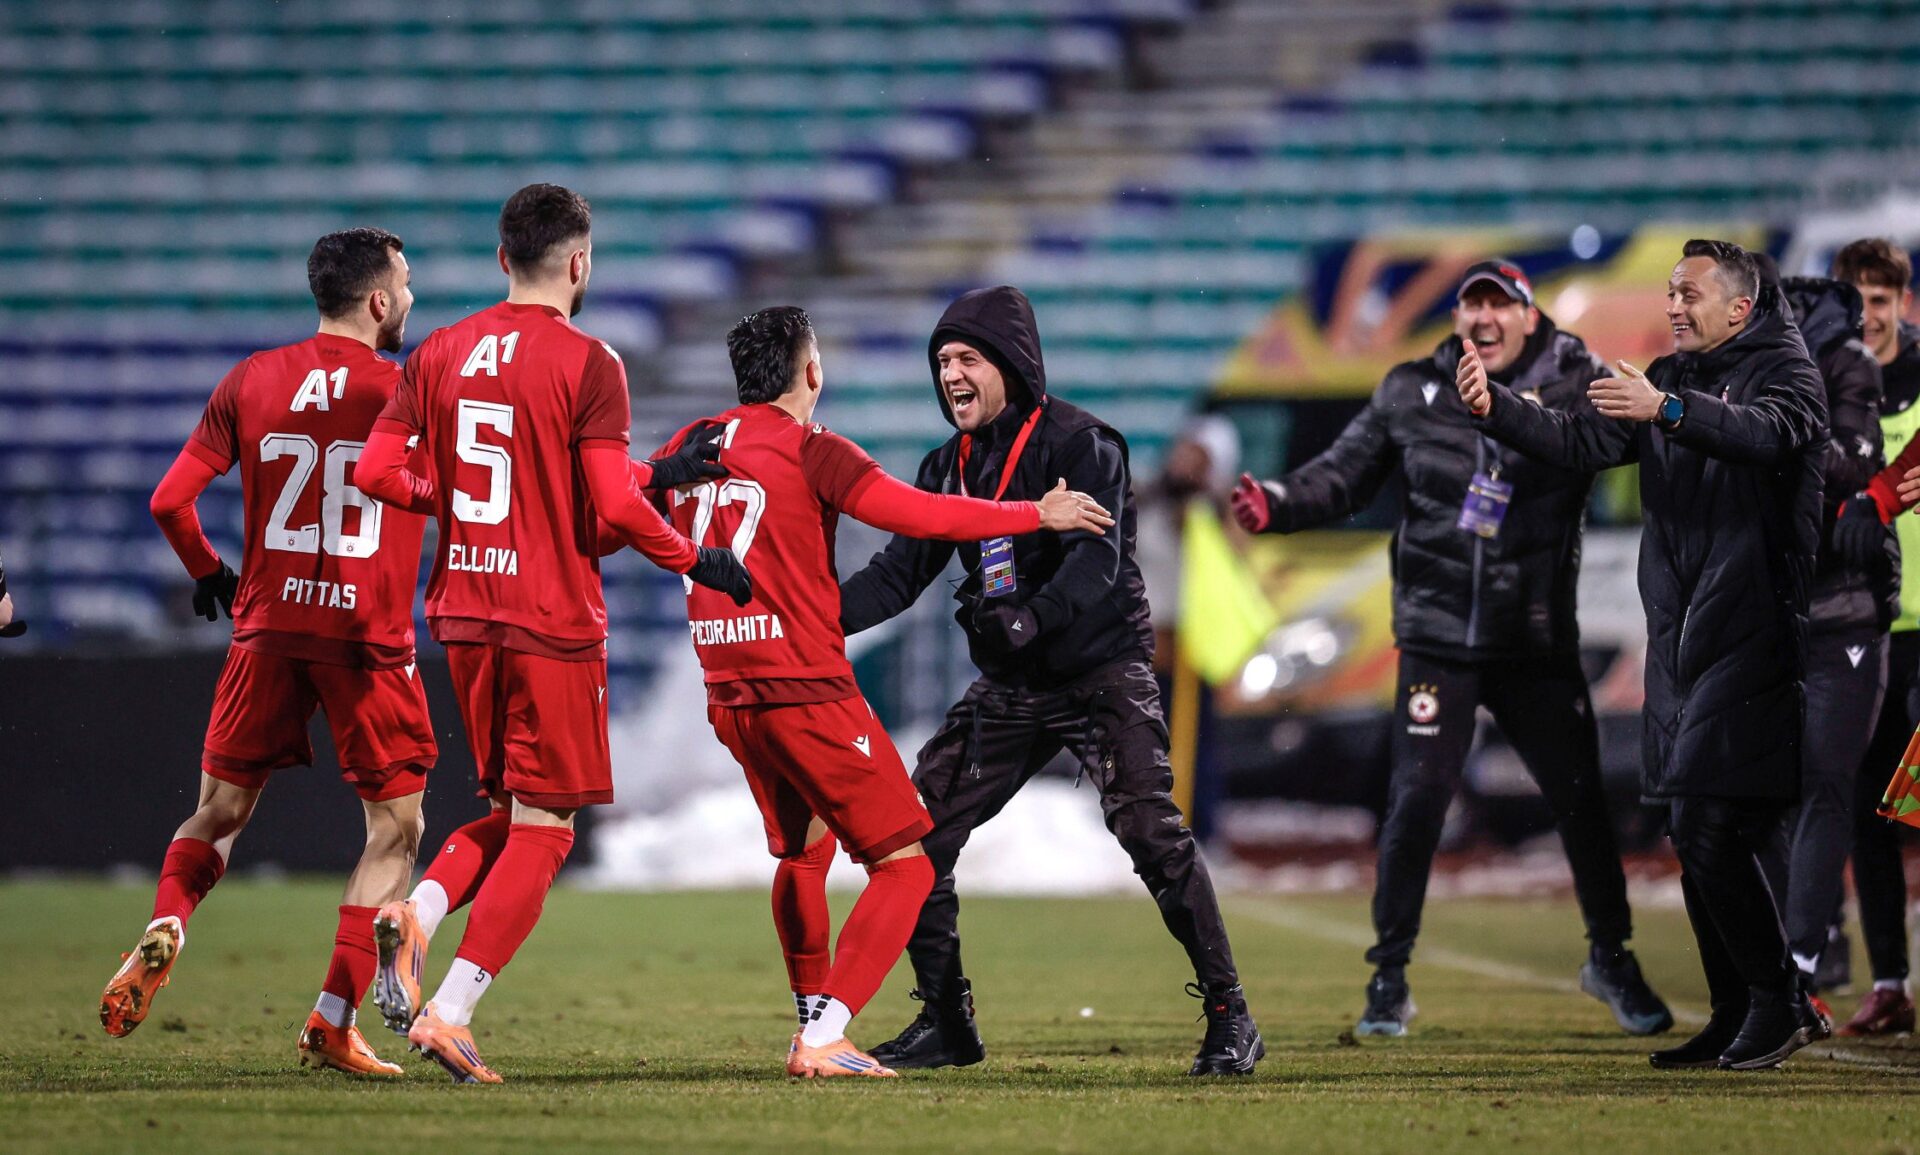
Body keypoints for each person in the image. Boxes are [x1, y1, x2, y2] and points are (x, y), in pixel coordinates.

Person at [352, 183, 751, 1083]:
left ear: (503, 258)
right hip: (550, 621)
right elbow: (607, 505)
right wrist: (694, 558)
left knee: (510, 813)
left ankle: (417, 911)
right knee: (549, 829)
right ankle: (449, 1013)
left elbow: (378, 471)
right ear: (579, 262)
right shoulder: (590, 360)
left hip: (463, 615)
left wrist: (454, 499)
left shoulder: (440, 350)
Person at [654, 306, 1112, 1077]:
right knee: (907, 863)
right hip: (805, 688)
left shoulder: (688, 444)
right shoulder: (812, 447)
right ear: (811, 371)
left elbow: (615, 508)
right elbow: (916, 512)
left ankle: (809, 1016)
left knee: (802, 852)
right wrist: (1033, 512)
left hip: (729, 689)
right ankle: (826, 1034)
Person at [1231, 260, 1671, 1039]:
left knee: (1580, 803)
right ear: (1458, 319)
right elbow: (1344, 475)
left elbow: (1614, 444)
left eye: (1500, 304)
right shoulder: (1412, 386)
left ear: (1530, 317)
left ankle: (1612, 955)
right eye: (1472, 305)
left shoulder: (1578, 378)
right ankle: (1389, 977)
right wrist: (1281, 501)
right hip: (1438, 636)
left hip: (1532, 636)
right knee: (1416, 801)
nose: (1484, 317)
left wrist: (1513, 410)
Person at [838, 285, 1262, 1076]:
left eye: (966, 357)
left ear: (1010, 363)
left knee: (1150, 830)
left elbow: (1097, 564)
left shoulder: (1082, 444)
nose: (950, 374)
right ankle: (946, 1020)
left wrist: (1028, 618)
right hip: (1012, 686)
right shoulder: (947, 466)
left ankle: (1230, 1013)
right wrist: (814, 618)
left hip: (1101, 672)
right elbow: (899, 573)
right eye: (941, 361)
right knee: (914, 837)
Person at [1458, 238, 1829, 1071]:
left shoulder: (1788, 374)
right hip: (1681, 637)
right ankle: (1736, 1008)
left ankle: (1781, 1001)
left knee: (1707, 822)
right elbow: (1580, 440)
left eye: (1689, 293)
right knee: (1690, 827)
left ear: (1739, 307)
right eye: (1671, 291)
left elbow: (1768, 436)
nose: (1674, 305)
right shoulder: (1671, 376)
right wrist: (1498, 409)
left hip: (1755, 630)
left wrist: (1666, 411)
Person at [98, 228, 435, 1078]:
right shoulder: (407, 390)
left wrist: (208, 571)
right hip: (365, 639)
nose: (410, 297)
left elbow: (169, 500)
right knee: (396, 830)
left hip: (268, 626)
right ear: (379, 301)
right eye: (405, 284)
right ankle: (332, 1018)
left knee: (216, 815)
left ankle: (168, 919)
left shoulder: (252, 377)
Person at [1764, 271, 1892, 1028]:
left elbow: (1852, 467)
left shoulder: (1843, 362)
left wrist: (1762, 436)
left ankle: (1805, 962)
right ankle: (1784, 959)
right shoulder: (1734, 362)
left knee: (1834, 789)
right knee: (1749, 797)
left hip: (1848, 614)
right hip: (1766, 613)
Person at [1829, 238, 1920, 1035]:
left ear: (1904, 303)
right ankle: (1890, 979)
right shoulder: (1825, 385)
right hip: (1865, 623)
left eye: (1880, 300)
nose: (1869, 315)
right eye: (1855, 301)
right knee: (1868, 808)